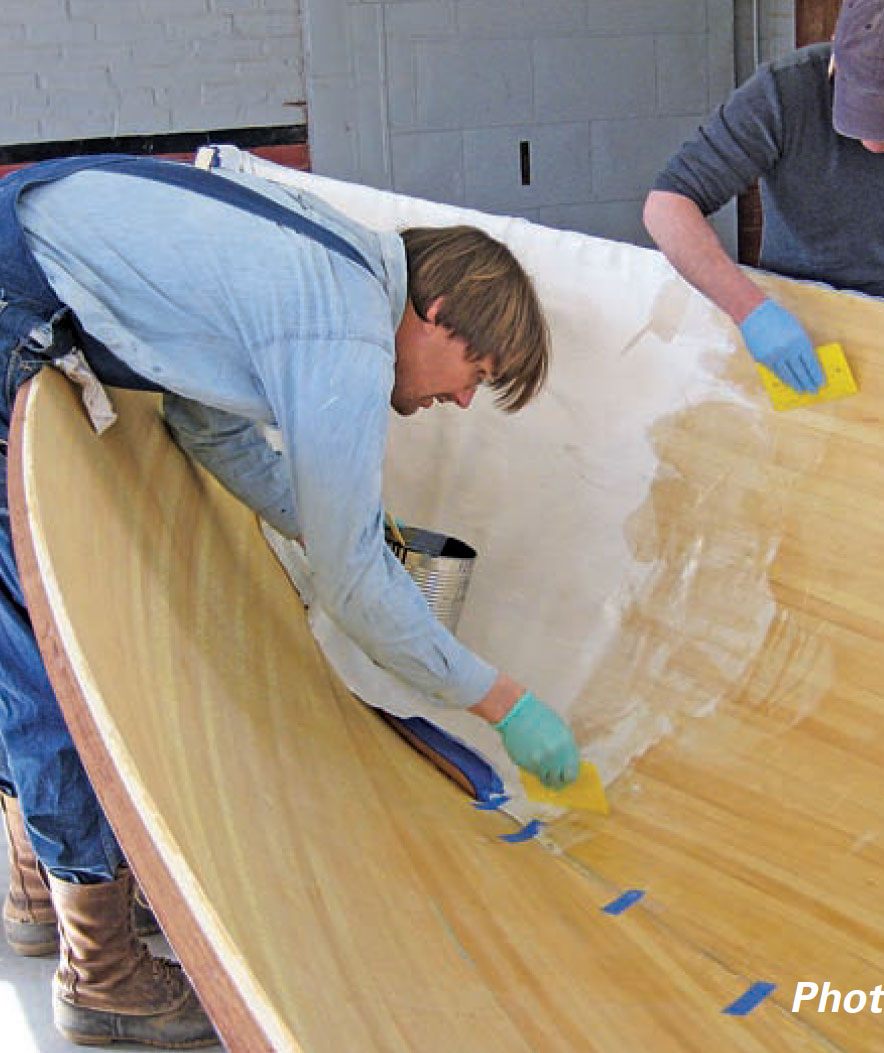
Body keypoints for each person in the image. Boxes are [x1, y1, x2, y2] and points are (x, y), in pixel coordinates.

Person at [0, 153, 580, 1047]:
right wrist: (502, 702)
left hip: (21, 274)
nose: (462, 399)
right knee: (45, 652)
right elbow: (352, 588)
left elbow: (205, 421)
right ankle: (100, 970)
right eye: (473, 370)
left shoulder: (336, 265)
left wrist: (317, 522)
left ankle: (45, 892)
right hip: (11, 305)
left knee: (29, 644)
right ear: (433, 314)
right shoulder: (348, 331)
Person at [644, 0, 884, 392]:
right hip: (795, 336)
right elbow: (668, 206)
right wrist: (751, 312)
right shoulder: (783, 92)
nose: (874, 144)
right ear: (835, 54)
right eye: (860, 112)